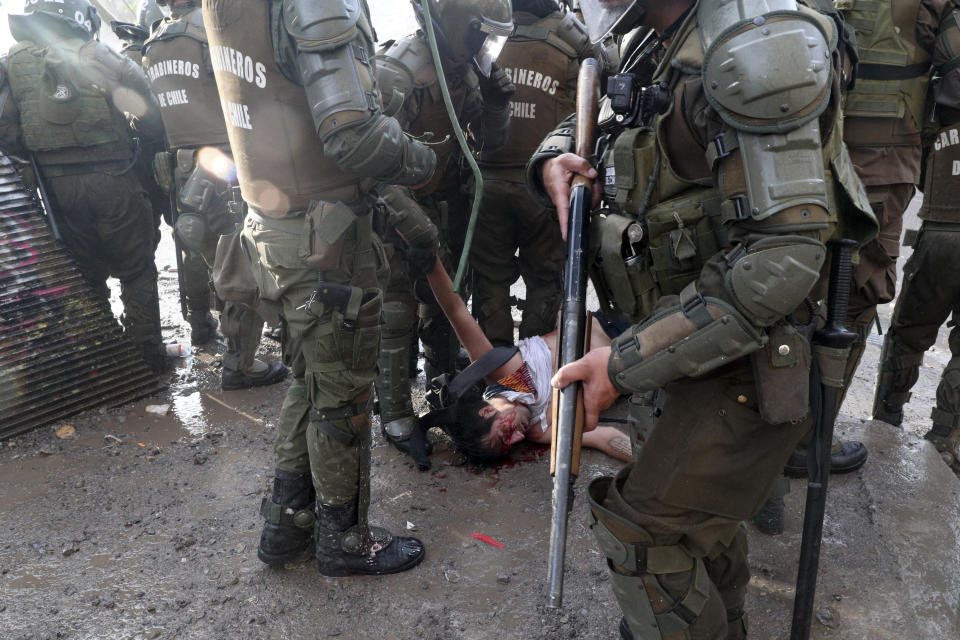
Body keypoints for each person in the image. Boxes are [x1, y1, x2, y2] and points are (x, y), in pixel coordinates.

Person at [528, 0, 875, 637]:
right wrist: (554, 158)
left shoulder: (755, 43)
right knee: (700, 530)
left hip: (754, 352)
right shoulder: (657, 29)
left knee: (646, 537)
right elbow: (601, 102)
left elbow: (781, 264)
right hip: (682, 338)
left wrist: (621, 366)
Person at [203, 0, 439, 575]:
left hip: (275, 226)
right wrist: (423, 159)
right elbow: (353, 138)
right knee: (343, 398)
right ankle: (345, 539)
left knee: (310, 381)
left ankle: (286, 526)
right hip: (323, 240)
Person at [371, 0, 514, 466]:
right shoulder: (397, 74)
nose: (486, 44)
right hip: (395, 211)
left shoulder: (465, 69)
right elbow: (360, 161)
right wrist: (408, 219)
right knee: (396, 311)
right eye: (480, 33)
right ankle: (394, 415)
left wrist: (497, 103)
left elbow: (488, 145)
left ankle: (444, 382)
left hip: (444, 205)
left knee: (445, 303)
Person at [1, 0, 167, 372]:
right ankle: (148, 356)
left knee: (86, 274)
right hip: (114, 181)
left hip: (57, 190)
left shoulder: (13, 62)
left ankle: (106, 354)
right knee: (136, 268)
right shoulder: (102, 55)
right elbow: (152, 120)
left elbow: (8, 134)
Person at [141, 0, 288, 391]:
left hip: (183, 170)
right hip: (225, 164)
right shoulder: (212, 30)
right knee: (241, 265)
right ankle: (241, 363)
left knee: (211, 260)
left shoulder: (154, 43)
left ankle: (219, 335)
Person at [421, 255, 631, 463]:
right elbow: (604, 437)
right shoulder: (540, 430)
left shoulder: (502, 371)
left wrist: (427, 254)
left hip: (616, 322)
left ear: (487, 411)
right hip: (634, 365)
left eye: (505, 435)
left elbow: (455, 309)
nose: (519, 437)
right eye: (512, 444)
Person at [471, 0, 596, 348]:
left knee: (489, 280)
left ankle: (501, 374)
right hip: (543, 184)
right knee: (545, 278)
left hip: (487, 182)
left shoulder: (481, 30)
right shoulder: (572, 36)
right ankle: (536, 363)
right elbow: (603, 80)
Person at [873, 9, 960, 473]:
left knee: (908, 334)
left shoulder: (938, 96)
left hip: (941, 228)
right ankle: (945, 436)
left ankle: (885, 418)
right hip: (943, 223)